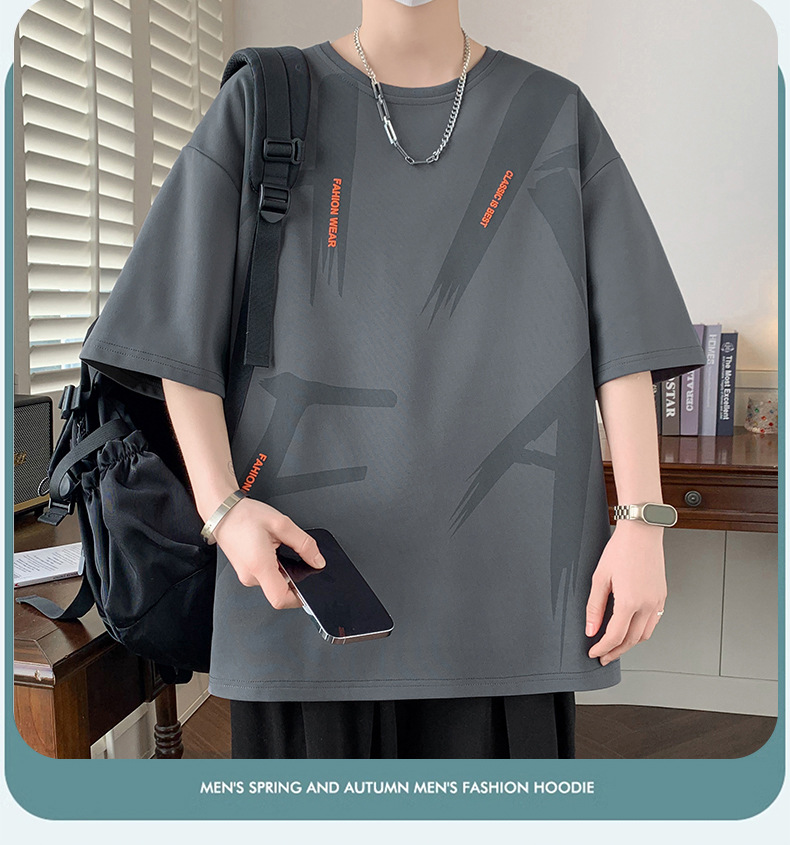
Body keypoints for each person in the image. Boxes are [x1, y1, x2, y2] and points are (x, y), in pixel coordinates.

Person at [79, 0, 706, 759]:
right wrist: (223, 510)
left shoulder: (552, 114)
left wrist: (641, 521)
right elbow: (177, 328)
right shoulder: (264, 102)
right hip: (305, 593)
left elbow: (627, 338)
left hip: (506, 601)